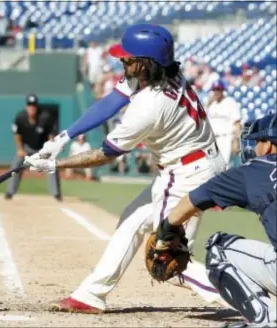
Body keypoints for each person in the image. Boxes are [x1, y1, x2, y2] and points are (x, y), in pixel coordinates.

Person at [25, 23, 226, 313]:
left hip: (189, 174)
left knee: (168, 258)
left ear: (145, 64)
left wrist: (56, 163)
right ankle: (92, 295)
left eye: (128, 59)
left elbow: (106, 154)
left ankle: (250, 297)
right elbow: (111, 101)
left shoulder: (149, 107)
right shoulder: (161, 73)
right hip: (186, 166)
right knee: (135, 222)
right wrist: (64, 137)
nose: (121, 62)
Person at [155, 114, 276, 327]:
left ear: (268, 146)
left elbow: (192, 201)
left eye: (258, 141)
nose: (255, 147)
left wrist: (167, 231)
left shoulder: (254, 172)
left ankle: (265, 321)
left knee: (218, 248)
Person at [5, 94, 62, 201]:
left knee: (52, 165)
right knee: (16, 164)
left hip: (42, 149)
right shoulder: (20, 117)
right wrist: (20, 149)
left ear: (37, 106)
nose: (32, 107)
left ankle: (56, 194)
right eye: (30, 105)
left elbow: (50, 136)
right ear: (27, 106)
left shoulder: (45, 117)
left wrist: (51, 150)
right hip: (27, 148)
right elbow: (17, 135)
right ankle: (10, 192)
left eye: (34, 105)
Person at [205, 80, 242, 167]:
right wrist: (208, 103)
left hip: (226, 138)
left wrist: (236, 141)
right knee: (212, 166)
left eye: (218, 89)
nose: (216, 92)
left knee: (225, 165)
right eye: (214, 89)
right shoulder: (211, 103)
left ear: (222, 90)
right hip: (213, 139)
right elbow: (202, 117)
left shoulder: (230, 102)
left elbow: (237, 123)